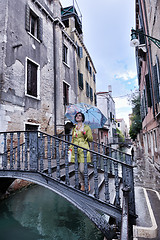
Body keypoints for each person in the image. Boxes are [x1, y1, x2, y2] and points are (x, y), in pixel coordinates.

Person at [69, 112, 93, 191]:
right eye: (76, 116)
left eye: (79, 116)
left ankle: (87, 182)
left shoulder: (86, 127)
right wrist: (70, 148)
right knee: (77, 169)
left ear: (82, 118)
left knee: (82, 169)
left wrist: (84, 132)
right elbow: (73, 139)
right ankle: (82, 184)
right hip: (75, 150)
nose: (78, 117)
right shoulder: (74, 128)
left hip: (83, 150)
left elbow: (90, 139)